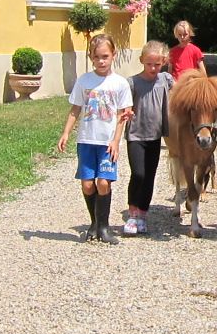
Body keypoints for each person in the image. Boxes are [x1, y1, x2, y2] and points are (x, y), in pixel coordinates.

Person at [57, 33, 133, 244]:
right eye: (97, 56)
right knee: (88, 185)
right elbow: (75, 109)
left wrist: (116, 141)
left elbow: (122, 115)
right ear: (90, 56)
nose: (101, 61)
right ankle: (94, 222)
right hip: (86, 141)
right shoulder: (84, 81)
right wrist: (66, 133)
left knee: (103, 183)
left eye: (105, 56)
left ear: (113, 56)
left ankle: (105, 226)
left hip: (107, 143)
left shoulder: (119, 84)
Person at [123, 40, 173, 236]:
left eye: (157, 64)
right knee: (139, 174)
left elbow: (179, 95)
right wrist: (127, 112)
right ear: (142, 60)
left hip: (155, 136)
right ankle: (132, 213)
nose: (153, 68)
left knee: (150, 176)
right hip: (136, 135)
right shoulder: (133, 82)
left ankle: (142, 215)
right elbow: (125, 105)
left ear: (164, 62)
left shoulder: (165, 80)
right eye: (149, 63)